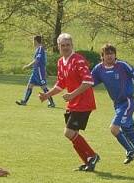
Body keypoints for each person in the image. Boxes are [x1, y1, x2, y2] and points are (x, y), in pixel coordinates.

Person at [39, 33, 100, 171]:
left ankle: (92, 155)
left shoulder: (78, 60)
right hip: (73, 103)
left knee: (69, 132)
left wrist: (72, 94)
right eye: (63, 45)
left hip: (83, 103)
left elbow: (88, 81)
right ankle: (88, 162)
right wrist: (47, 95)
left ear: (72, 46)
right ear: (59, 47)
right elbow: (60, 84)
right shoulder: (61, 62)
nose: (65, 47)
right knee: (72, 134)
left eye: (68, 45)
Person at [91, 44, 134, 165]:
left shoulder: (122, 65)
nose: (110, 56)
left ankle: (130, 150)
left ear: (115, 55)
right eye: (107, 54)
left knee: (114, 128)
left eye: (112, 53)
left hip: (128, 102)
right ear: (102, 56)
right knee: (129, 133)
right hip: (117, 104)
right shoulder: (99, 69)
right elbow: (89, 82)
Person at [16, 35, 55, 108]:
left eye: (33, 41)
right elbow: (43, 61)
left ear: (36, 41)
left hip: (39, 71)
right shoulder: (38, 49)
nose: (33, 42)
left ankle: (51, 102)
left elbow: (37, 60)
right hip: (35, 72)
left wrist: (28, 65)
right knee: (30, 85)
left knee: (43, 87)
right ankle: (24, 101)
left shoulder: (40, 48)